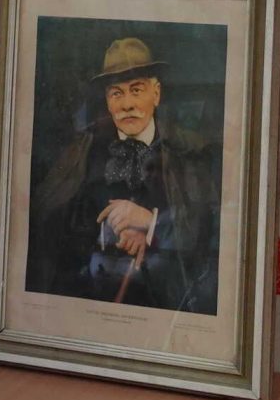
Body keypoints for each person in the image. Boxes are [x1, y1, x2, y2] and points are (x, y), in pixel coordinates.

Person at [25, 37, 221, 314]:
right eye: (116, 94)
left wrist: (151, 225)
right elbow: (49, 224)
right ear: (107, 102)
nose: (127, 104)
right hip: (89, 299)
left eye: (136, 90)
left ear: (156, 94)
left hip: (166, 304)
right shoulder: (83, 151)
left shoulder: (189, 152)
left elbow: (209, 232)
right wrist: (108, 232)